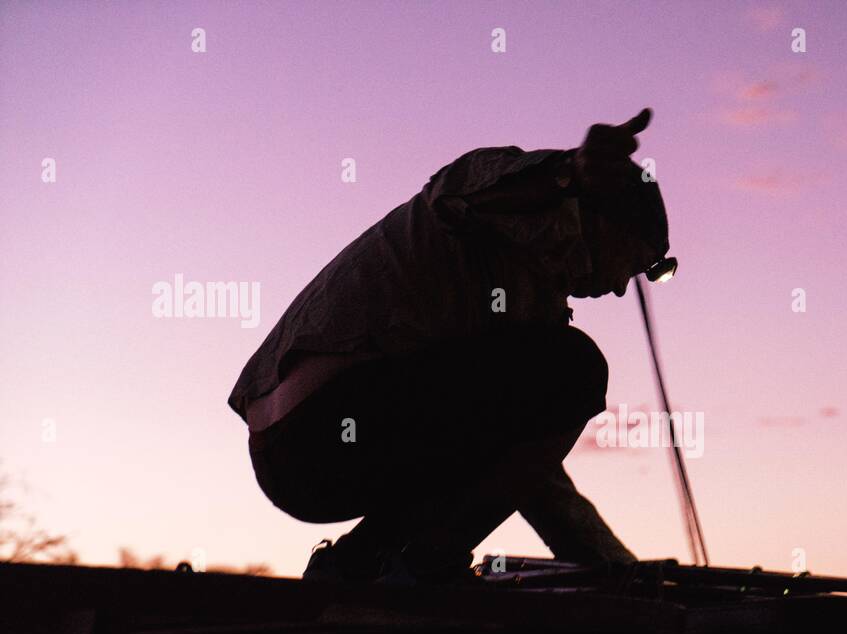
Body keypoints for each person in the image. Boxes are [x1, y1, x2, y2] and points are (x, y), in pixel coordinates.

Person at [227, 110, 671, 583]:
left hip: (297, 456)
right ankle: (420, 562)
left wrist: (614, 570)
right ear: (604, 225)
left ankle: (359, 561)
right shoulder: (494, 198)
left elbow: (527, 470)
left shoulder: (526, 310)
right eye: (638, 264)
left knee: (535, 400)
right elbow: (459, 192)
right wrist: (567, 175)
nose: (625, 287)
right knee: (576, 367)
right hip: (318, 428)